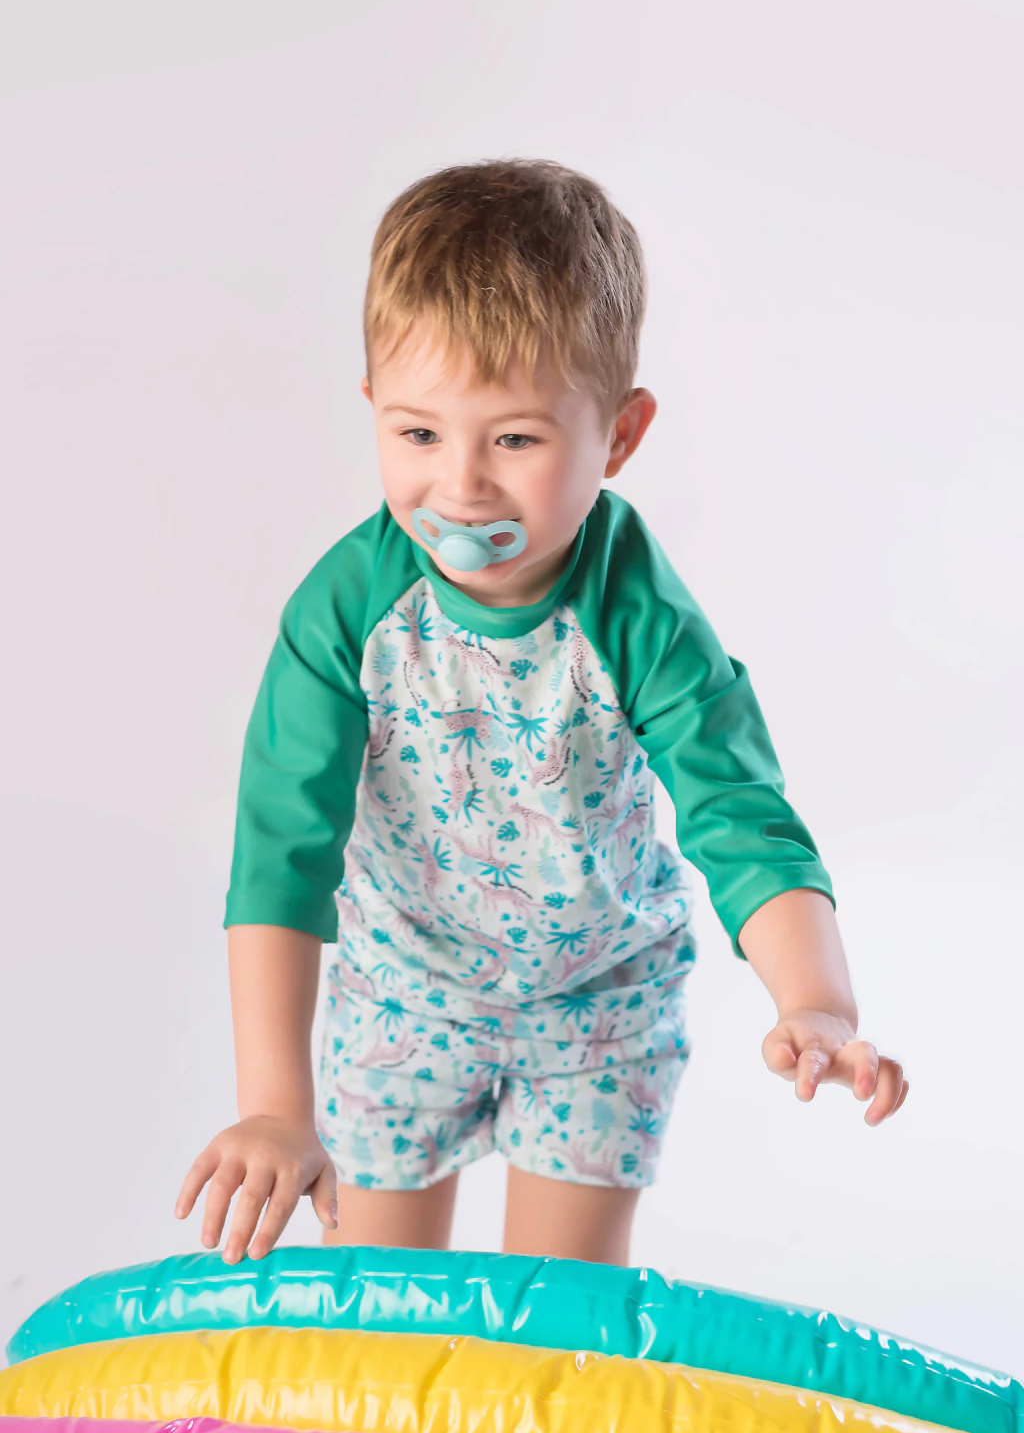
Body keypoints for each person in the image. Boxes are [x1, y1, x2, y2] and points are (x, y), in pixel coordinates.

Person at [176, 159, 908, 1268]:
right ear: (373, 410)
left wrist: (816, 1003)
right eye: (419, 435)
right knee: (386, 1308)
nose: (461, 486)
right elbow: (281, 850)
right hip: (404, 997)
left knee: (559, 1317)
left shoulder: (638, 613)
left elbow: (739, 813)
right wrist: (276, 1107)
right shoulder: (346, 610)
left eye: (513, 440)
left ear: (619, 436)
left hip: (597, 1007)